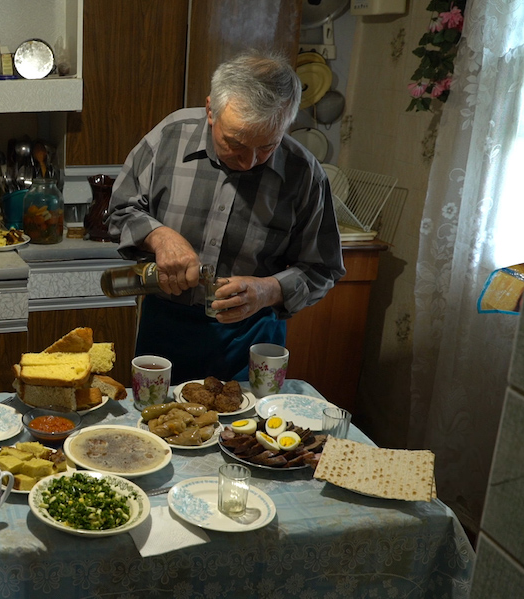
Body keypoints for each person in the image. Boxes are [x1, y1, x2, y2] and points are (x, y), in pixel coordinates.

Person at [107, 51, 346, 384]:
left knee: (246, 432)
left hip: (252, 334)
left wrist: (269, 290)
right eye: (235, 143)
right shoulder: (170, 137)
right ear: (210, 110)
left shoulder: (303, 173)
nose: (249, 161)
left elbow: (324, 267)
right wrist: (160, 236)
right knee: (156, 425)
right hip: (166, 324)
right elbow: (120, 209)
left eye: (266, 147)